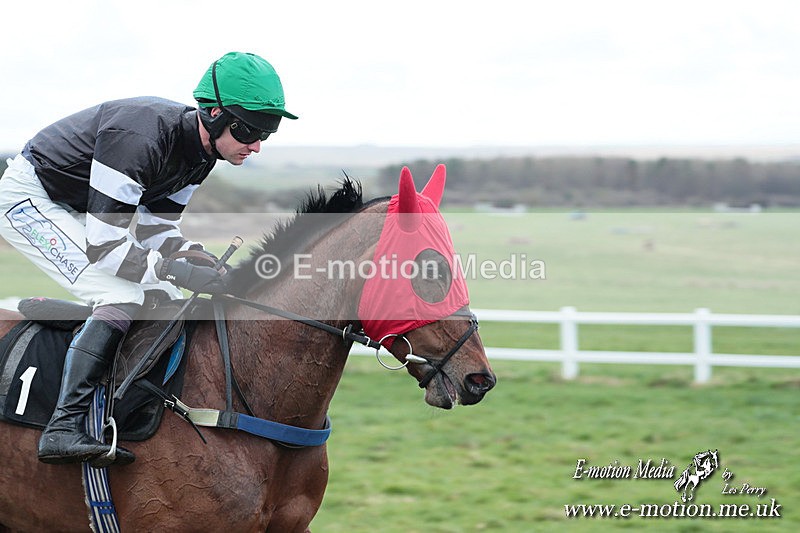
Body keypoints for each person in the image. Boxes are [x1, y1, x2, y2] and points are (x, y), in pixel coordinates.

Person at [0, 51, 297, 467]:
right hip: (30, 200)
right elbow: (105, 246)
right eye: (248, 130)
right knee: (118, 291)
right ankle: (63, 427)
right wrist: (178, 268)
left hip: (79, 208)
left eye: (268, 131)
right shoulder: (139, 138)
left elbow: (156, 229)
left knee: (160, 292)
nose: (257, 145)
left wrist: (197, 259)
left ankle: (123, 406)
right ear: (212, 114)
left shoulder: (200, 156)